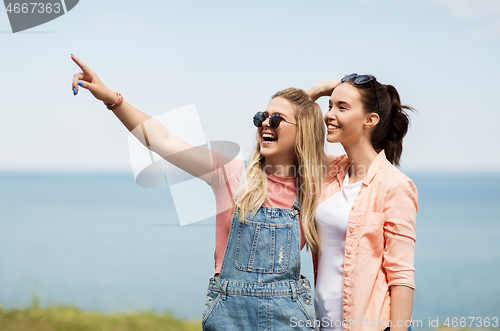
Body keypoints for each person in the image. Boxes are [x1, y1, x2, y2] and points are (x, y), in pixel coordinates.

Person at [70, 55, 326, 330]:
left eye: (276, 119)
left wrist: (325, 89)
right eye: (261, 117)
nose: (265, 123)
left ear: (304, 131)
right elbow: (162, 139)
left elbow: (372, 153)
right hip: (230, 318)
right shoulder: (230, 173)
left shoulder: (317, 184)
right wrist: (112, 98)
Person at [306, 74, 418, 331]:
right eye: (330, 105)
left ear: (370, 120)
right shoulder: (330, 171)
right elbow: (288, 133)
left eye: (342, 107)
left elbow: (401, 275)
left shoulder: (395, 185)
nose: (329, 114)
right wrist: (315, 91)